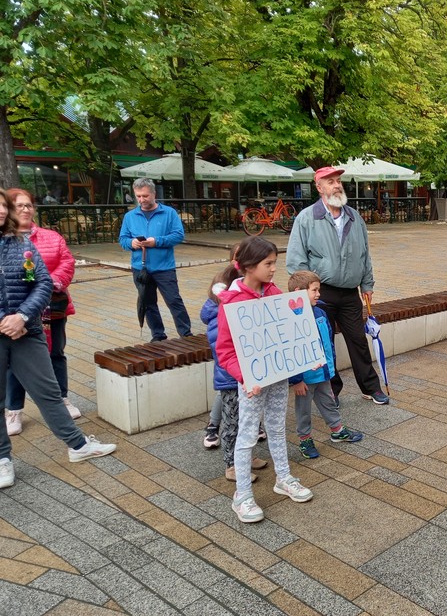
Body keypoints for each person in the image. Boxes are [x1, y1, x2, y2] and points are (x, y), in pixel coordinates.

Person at [0, 188, 116, 489]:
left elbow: (41, 284)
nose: (1, 210)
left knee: (48, 391)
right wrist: (4, 322)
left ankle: (78, 445)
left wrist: (22, 316)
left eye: (2, 205)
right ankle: (2, 459)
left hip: (27, 331)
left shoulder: (21, 243)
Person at [217, 236, 313, 523]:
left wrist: (307, 355)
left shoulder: (274, 293)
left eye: (274, 263)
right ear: (249, 266)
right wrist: (244, 377)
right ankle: (242, 495)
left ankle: (283, 477)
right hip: (252, 383)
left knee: (277, 427)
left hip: (277, 377)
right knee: (247, 436)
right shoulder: (232, 302)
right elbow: (225, 350)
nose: (273, 269)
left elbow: (290, 332)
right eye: (268, 263)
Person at [286, 166, 389, 405]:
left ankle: (370, 387)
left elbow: (365, 254)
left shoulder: (354, 217)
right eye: (330, 181)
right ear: (319, 187)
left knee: (358, 341)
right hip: (321, 292)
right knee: (325, 342)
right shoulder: (307, 218)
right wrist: (307, 289)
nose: (337, 185)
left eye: (338, 181)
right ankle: (331, 390)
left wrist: (367, 283)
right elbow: (296, 260)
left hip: (350, 292)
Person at [5, 188, 80, 437]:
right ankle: (14, 409)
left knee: (56, 352)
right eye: (19, 205)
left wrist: (51, 282)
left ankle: (62, 398)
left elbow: (67, 262)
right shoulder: (6, 241)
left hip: (52, 306)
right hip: (14, 313)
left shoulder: (51, 237)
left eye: (29, 205)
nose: (25, 210)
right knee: (14, 361)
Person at [200, 264, 268, 481]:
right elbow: (222, 349)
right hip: (230, 379)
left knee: (248, 420)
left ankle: (246, 457)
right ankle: (232, 465)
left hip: (245, 376)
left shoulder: (238, 310)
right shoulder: (219, 315)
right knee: (232, 422)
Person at [287, 270, 364, 459]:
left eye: (318, 290)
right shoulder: (291, 319)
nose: (318, 294)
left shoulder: (320, 311)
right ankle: (305, 439)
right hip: (305, 377)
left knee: (329, 401)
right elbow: (291, 351)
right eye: (314, 290)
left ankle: (337, 430)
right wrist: (296, 379)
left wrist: (329, 366)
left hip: (323, 371)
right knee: (303, 410)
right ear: (298, 292)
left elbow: (327, 341)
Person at [119, 177, 193, 342]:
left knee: (174, 301)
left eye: (145, 196)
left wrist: (156, 241)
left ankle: (186, 334)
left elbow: (178, 235)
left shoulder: (169, 213)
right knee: (148, 303)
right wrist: (131, 243)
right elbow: (122, 239)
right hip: (140, 268)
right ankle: (158, 336)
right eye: (138, 196)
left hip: (164, 267)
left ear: (154, 194)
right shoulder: (130, 216)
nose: (141, 200)